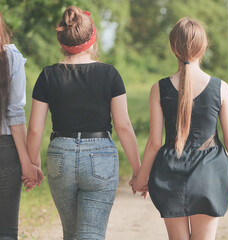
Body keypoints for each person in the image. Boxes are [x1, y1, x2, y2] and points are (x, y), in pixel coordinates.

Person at [131, 17, 228, 240]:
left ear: (172, 47)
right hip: (209, 174)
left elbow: (154, 144)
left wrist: (141, 178)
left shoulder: (158, 89)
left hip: (169, 173)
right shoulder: (221, 88)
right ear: (204, 46)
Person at [27, 6, 141, 240]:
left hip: (60, 157)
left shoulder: (48, 75)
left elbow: (35, 128)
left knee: (71, 234)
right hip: (100, 158)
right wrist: (138, 170)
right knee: (91, 235)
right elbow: (123, 127)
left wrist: (33, 163)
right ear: (92, 39)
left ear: (62, 40)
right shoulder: (110, 74)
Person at [0, 12, 43, 240]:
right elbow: (15, 112)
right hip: (5, 150)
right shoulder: (10, 57)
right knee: (6, 231)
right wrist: (27, 163)